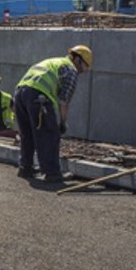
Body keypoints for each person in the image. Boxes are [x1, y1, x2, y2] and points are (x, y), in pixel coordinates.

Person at [13, 45, 92, 183]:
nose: (82, 72)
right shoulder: (71, 70)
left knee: (28, 134)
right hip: (38, 96)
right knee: (49, 134)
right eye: (84, 67)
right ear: (78, 60)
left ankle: (25, 167)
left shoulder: (54, 62)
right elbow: (64, 101)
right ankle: (52, 173)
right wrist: (62, 122)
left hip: (20, 93)